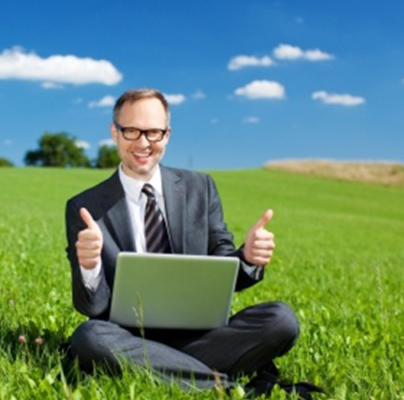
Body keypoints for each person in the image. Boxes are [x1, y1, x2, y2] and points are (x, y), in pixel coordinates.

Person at [64, 88, 310, 394]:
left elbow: (223, 267)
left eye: (153, 132)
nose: (143, 143)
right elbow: (92, 305)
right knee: (90, 337)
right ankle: (229, 388)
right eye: (131, 131)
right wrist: (89, 267)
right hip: (130, 339)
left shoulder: (200, 188)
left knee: (281, 320)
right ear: (115, 133)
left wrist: (246, 257)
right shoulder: (84, 207)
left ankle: (172, 371)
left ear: (167, 135)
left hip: (201, 335)